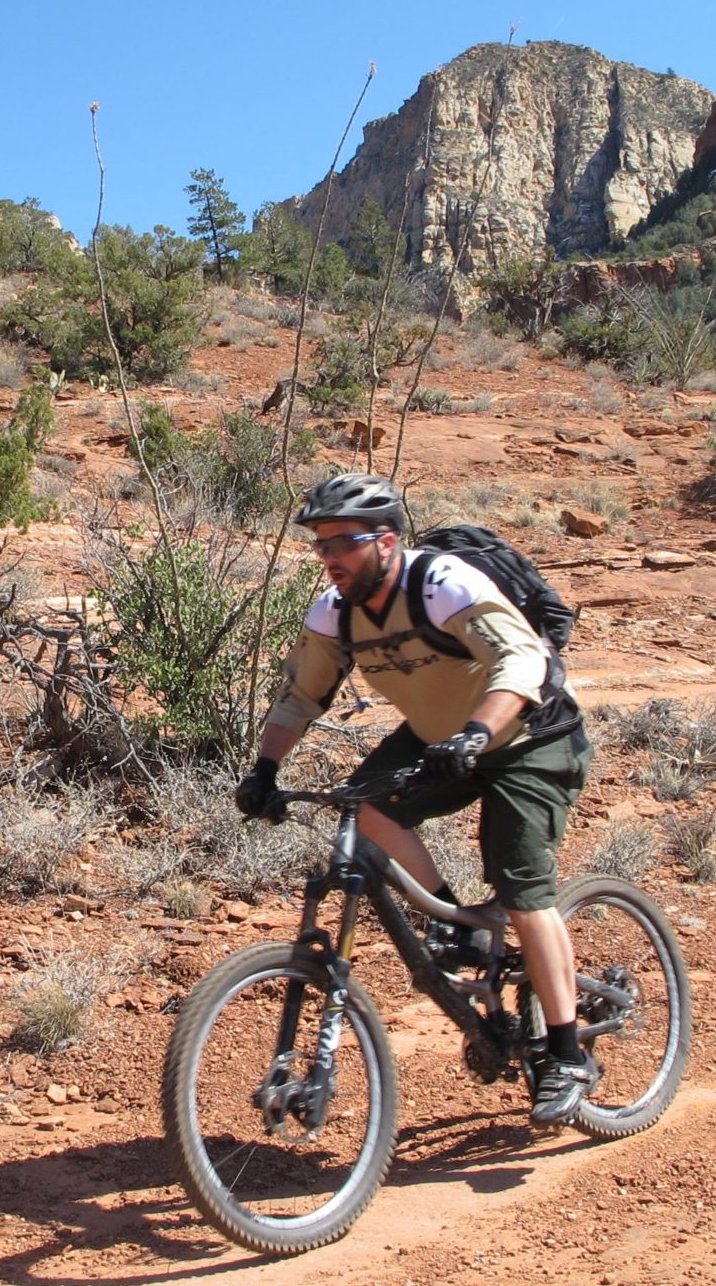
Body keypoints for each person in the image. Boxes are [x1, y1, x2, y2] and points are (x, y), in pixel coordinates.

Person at [235, 472, 597, 1127]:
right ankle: (455, 923)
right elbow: (299, 697)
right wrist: (264, 768)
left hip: (528, 738)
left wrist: (479, 732)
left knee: (522, 888)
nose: (331, 557)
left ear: (387, 539)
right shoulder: (334, 612)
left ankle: (568, 1055)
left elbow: (521, 661)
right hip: (442, 739)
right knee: (365, 807)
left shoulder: (442, 585)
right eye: (322, 545)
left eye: (344, 541)